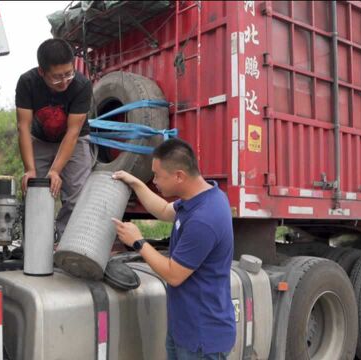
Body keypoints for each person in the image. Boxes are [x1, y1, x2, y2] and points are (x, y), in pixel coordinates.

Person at [111, 138, 236, 360]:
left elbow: (174, 274)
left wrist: (138, 242)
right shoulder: (201, 198)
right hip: (184, 327)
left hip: (201, 337)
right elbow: (163, 210)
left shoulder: (204, 219)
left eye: (158, 176)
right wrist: (135, 183)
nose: (155, 181)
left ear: (179, 176)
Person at [15, 38, 93, 241]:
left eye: (69, 74)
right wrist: (30, 169)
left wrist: (56, 170)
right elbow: (23, 127)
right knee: (34, 191)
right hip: (40, 141)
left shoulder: (82, 85)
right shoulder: (28, 82)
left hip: (75, 140)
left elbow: (73, 132)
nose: (65, 81)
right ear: (42, 72)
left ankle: (67, 244)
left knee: (77, 196)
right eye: (57, 78)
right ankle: (35, 245)